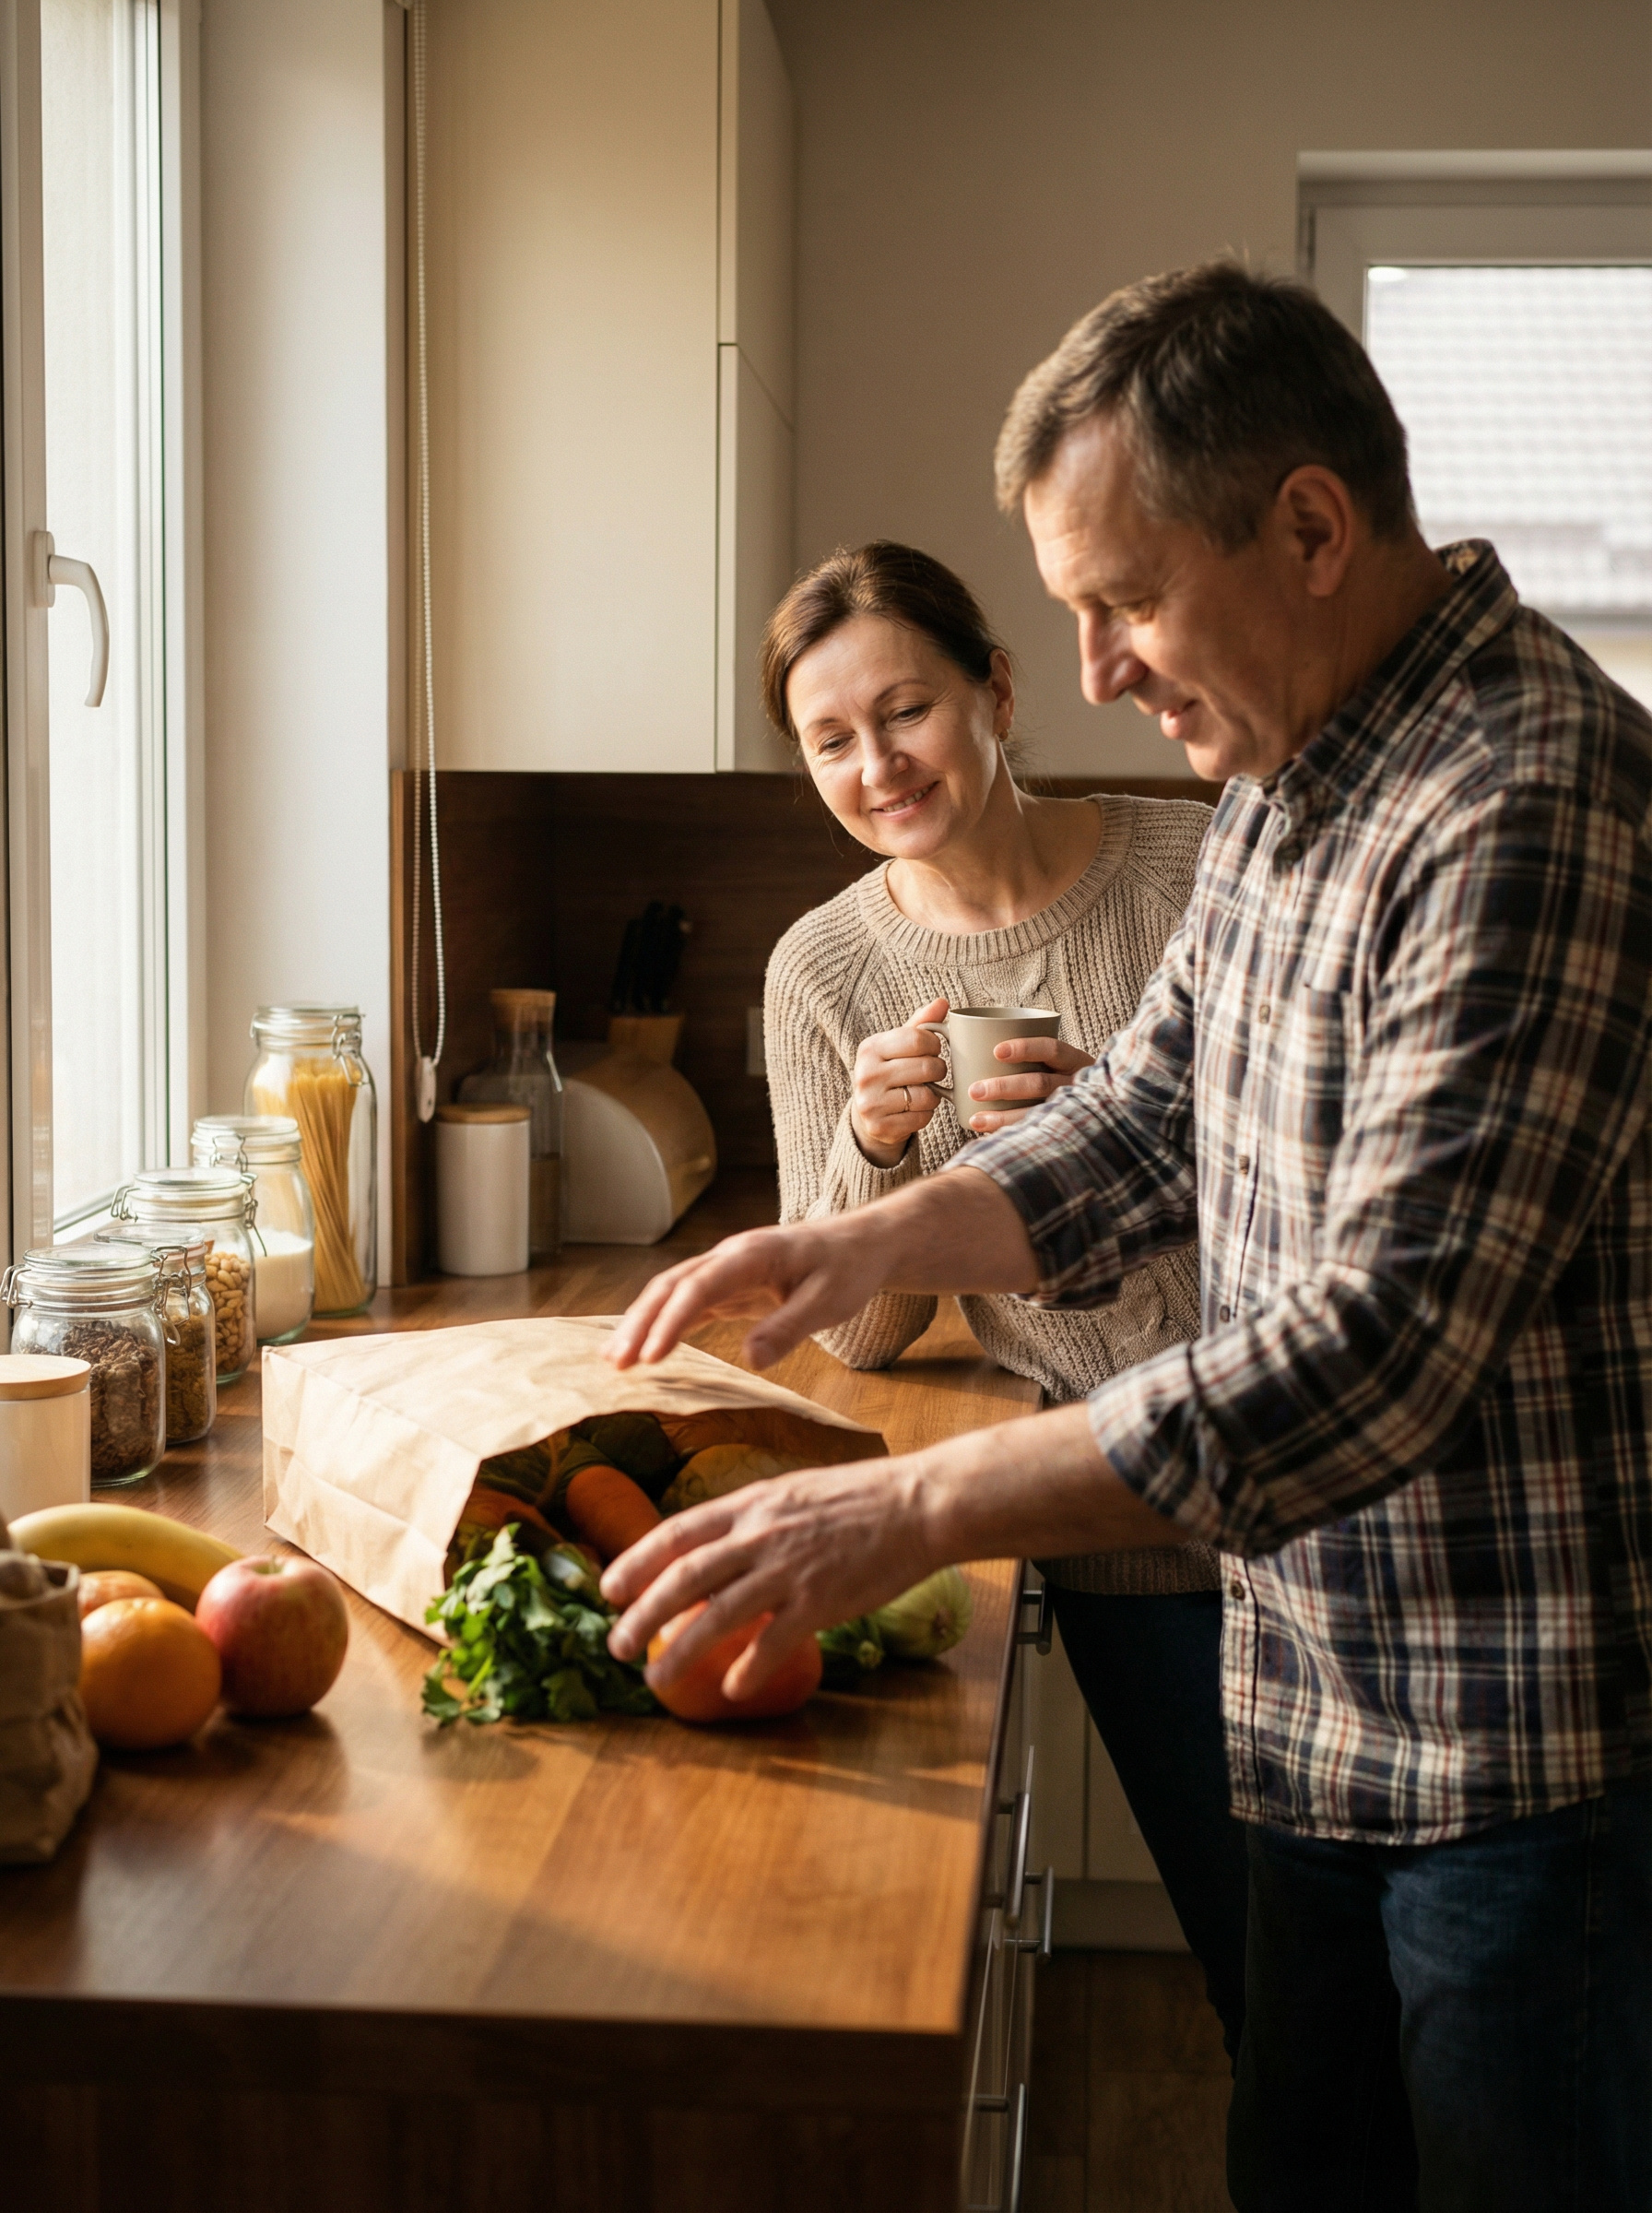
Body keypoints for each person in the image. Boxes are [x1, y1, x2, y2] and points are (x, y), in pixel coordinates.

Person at [600, 263, 1652, 2213]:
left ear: (1310, 529)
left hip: (1515, 1762)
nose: (1087, 671)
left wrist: (907, 1512)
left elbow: (1380, 1339)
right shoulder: (1286, 772)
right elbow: (1148, 1112)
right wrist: (866, 1237)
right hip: (1318, 1701)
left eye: (1124, 600)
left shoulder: (1520, 796)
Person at [760, 538, 1247, 2053]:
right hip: (1110, 1518)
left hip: (1304, 1485)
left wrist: (1117, 1119)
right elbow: (852, 1328)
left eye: (904, 711)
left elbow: (1314, 1191)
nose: (875, 763)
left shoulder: (1194, 865)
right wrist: (874, 1142)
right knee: (1263, 1969)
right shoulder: (823, 968)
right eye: (830, 739)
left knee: (1394, 1986)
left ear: (997, 690)